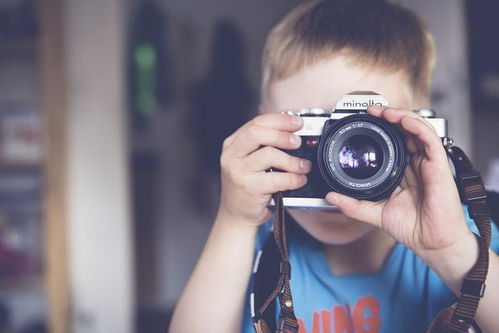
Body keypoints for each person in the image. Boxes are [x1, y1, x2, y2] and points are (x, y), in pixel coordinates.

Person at [169, 1, 499, 332]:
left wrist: (453, 253)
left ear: (419, 132)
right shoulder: (255, 251)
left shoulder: (461, 236)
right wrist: (235, 219)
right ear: (262, 126)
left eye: (364, 135)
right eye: (312, 130)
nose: (336, 169)